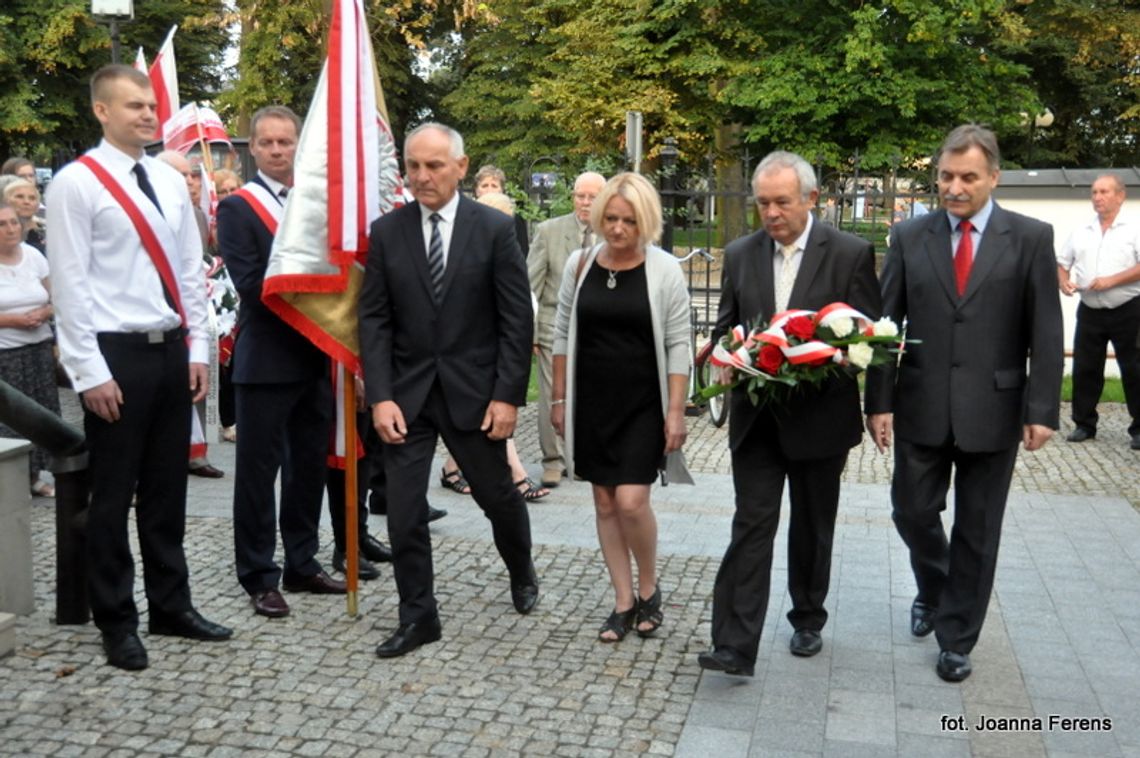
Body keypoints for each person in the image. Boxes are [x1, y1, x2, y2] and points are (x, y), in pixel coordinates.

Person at [46, 64, 232, 671]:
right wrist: (88, 371)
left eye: (150, 105)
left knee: (165, 491)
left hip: (170, 349)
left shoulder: (167, 179)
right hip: (114, 353)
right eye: (133, 106)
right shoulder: (77, 183)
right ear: (102, 111)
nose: (148, 115)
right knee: (112, 495)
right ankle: (116, 618)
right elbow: (70, 287)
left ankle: (171, 605)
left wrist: (198, 349)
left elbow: (188, 270)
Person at [865, 124, 1063, 683]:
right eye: (946, 176)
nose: (954, 187)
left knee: (979, 529)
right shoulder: (909, 236)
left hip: (994, 411)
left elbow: (1046, 330)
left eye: (968, 177)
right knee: (912, 510)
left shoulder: (1029, 237)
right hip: (921, 403)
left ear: (993, 178)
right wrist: (878, 402)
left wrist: (1041, 408)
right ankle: (936, 585)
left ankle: (956, 636)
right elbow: (886, 326)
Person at [696, 151, 881, 677]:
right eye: (762, 203)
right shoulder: (740, 253)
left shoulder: (849, 254)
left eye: (781, 202)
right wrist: (726, 355)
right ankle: (734, 644)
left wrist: (836, 365)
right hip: (756, 418)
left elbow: (869, 339)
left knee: (812, 523)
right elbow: (726, 328)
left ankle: (807, 616)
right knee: (752, 524)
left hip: (821, 418)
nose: (771, 213)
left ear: (812, 199)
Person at [359, 122, 538, 658]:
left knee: (498, 499)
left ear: (461, 168)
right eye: (413, 165)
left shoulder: (493, 229)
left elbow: (515, 321)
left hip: (475, 396)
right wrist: (381, 394)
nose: (422, 176)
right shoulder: (387, 232)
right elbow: (374, 319)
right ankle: (419, 616)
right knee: (403, 512)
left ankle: (521, 567)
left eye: (434, 165)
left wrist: (507, 397)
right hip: (406, 397)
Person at [218, 105, 345, 620]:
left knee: (306, 470)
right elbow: (251, 285)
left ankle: (301, 561)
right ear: (253, 148)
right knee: (256, 473)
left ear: (299, 146)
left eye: (285, 142)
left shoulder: (314, 203)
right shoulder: (238, 209)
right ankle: (258, 575)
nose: (276, 150)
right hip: (266, 358)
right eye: (267, 143)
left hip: (316, 356)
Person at [551, 172, 690, 642]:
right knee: (604, 501)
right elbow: (561, 332)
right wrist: (558, 398)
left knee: (632, 501)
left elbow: (677, 344)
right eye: (609, 218)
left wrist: (675, 411)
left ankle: (649, 586)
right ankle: (623, 600)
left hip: (642, 404)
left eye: (628, 221)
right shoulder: (579, 264)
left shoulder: (664, 270)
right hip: (592, 401)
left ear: (645, 221)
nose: (616, 228)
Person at [439, 189, 549, 503]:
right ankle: (516, 476)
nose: (502, 225)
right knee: (488, 418)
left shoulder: (504, 247)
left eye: (507, 220)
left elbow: (521, 301)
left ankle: (451, 468)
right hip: (472, 357)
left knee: (486, 418)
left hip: (499, 354)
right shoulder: (462, 254)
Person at [529, 171, 606, 487]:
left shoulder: (613, 232)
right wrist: (530, 333)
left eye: (592, 197)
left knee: (589, 397)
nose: (585, 203)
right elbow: (529, 287)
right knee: (551, 397)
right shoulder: (549, 232)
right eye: (580, 196)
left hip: (596, 335)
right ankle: (553, 461)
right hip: (552, 330)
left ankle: (581, 459)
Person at [1056, 174, 1140, 449]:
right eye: (1094, 192)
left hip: (1128, 309)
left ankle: (1139, 428)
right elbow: (1062, 262)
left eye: (1104, 192)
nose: (1097, 197)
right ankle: (1084, 424)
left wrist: (1111, 281)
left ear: (1120, 196)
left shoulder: (1134, 228)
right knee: (1085, 368)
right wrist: (1063, 281)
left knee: (1134, 369)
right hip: (1090, 309)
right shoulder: (1082, 231)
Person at [156, 150, 224, 479]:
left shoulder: (194, 212)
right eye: (182, 174)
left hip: (190, 312)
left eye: (192, 175)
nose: (190, 181)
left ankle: (195, 451)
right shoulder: (149, 210)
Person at [0, 202, 59, 497]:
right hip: (5, 353)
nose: (11, 229)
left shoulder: (34, 256)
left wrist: (46, 312)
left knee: (42, 412)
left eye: (13, 222)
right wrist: (13, 319)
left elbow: (56, 294)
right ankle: (17, 476)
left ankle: (37, 472)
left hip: (38, 347)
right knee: (12, 419)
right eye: (2, 224)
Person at [473, 164, 529, 257]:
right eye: (484, 186)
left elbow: (522, 254)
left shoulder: (515, 219)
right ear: (477, 191)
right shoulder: (467, 217)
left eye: (494, 186)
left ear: (502, 190)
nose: (489, 190)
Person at [3, 178, 46, 253]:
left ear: (37, 205)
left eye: (32, 198)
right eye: (19, 196)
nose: (26, 202)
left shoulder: (47, 232)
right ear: (6, 201)